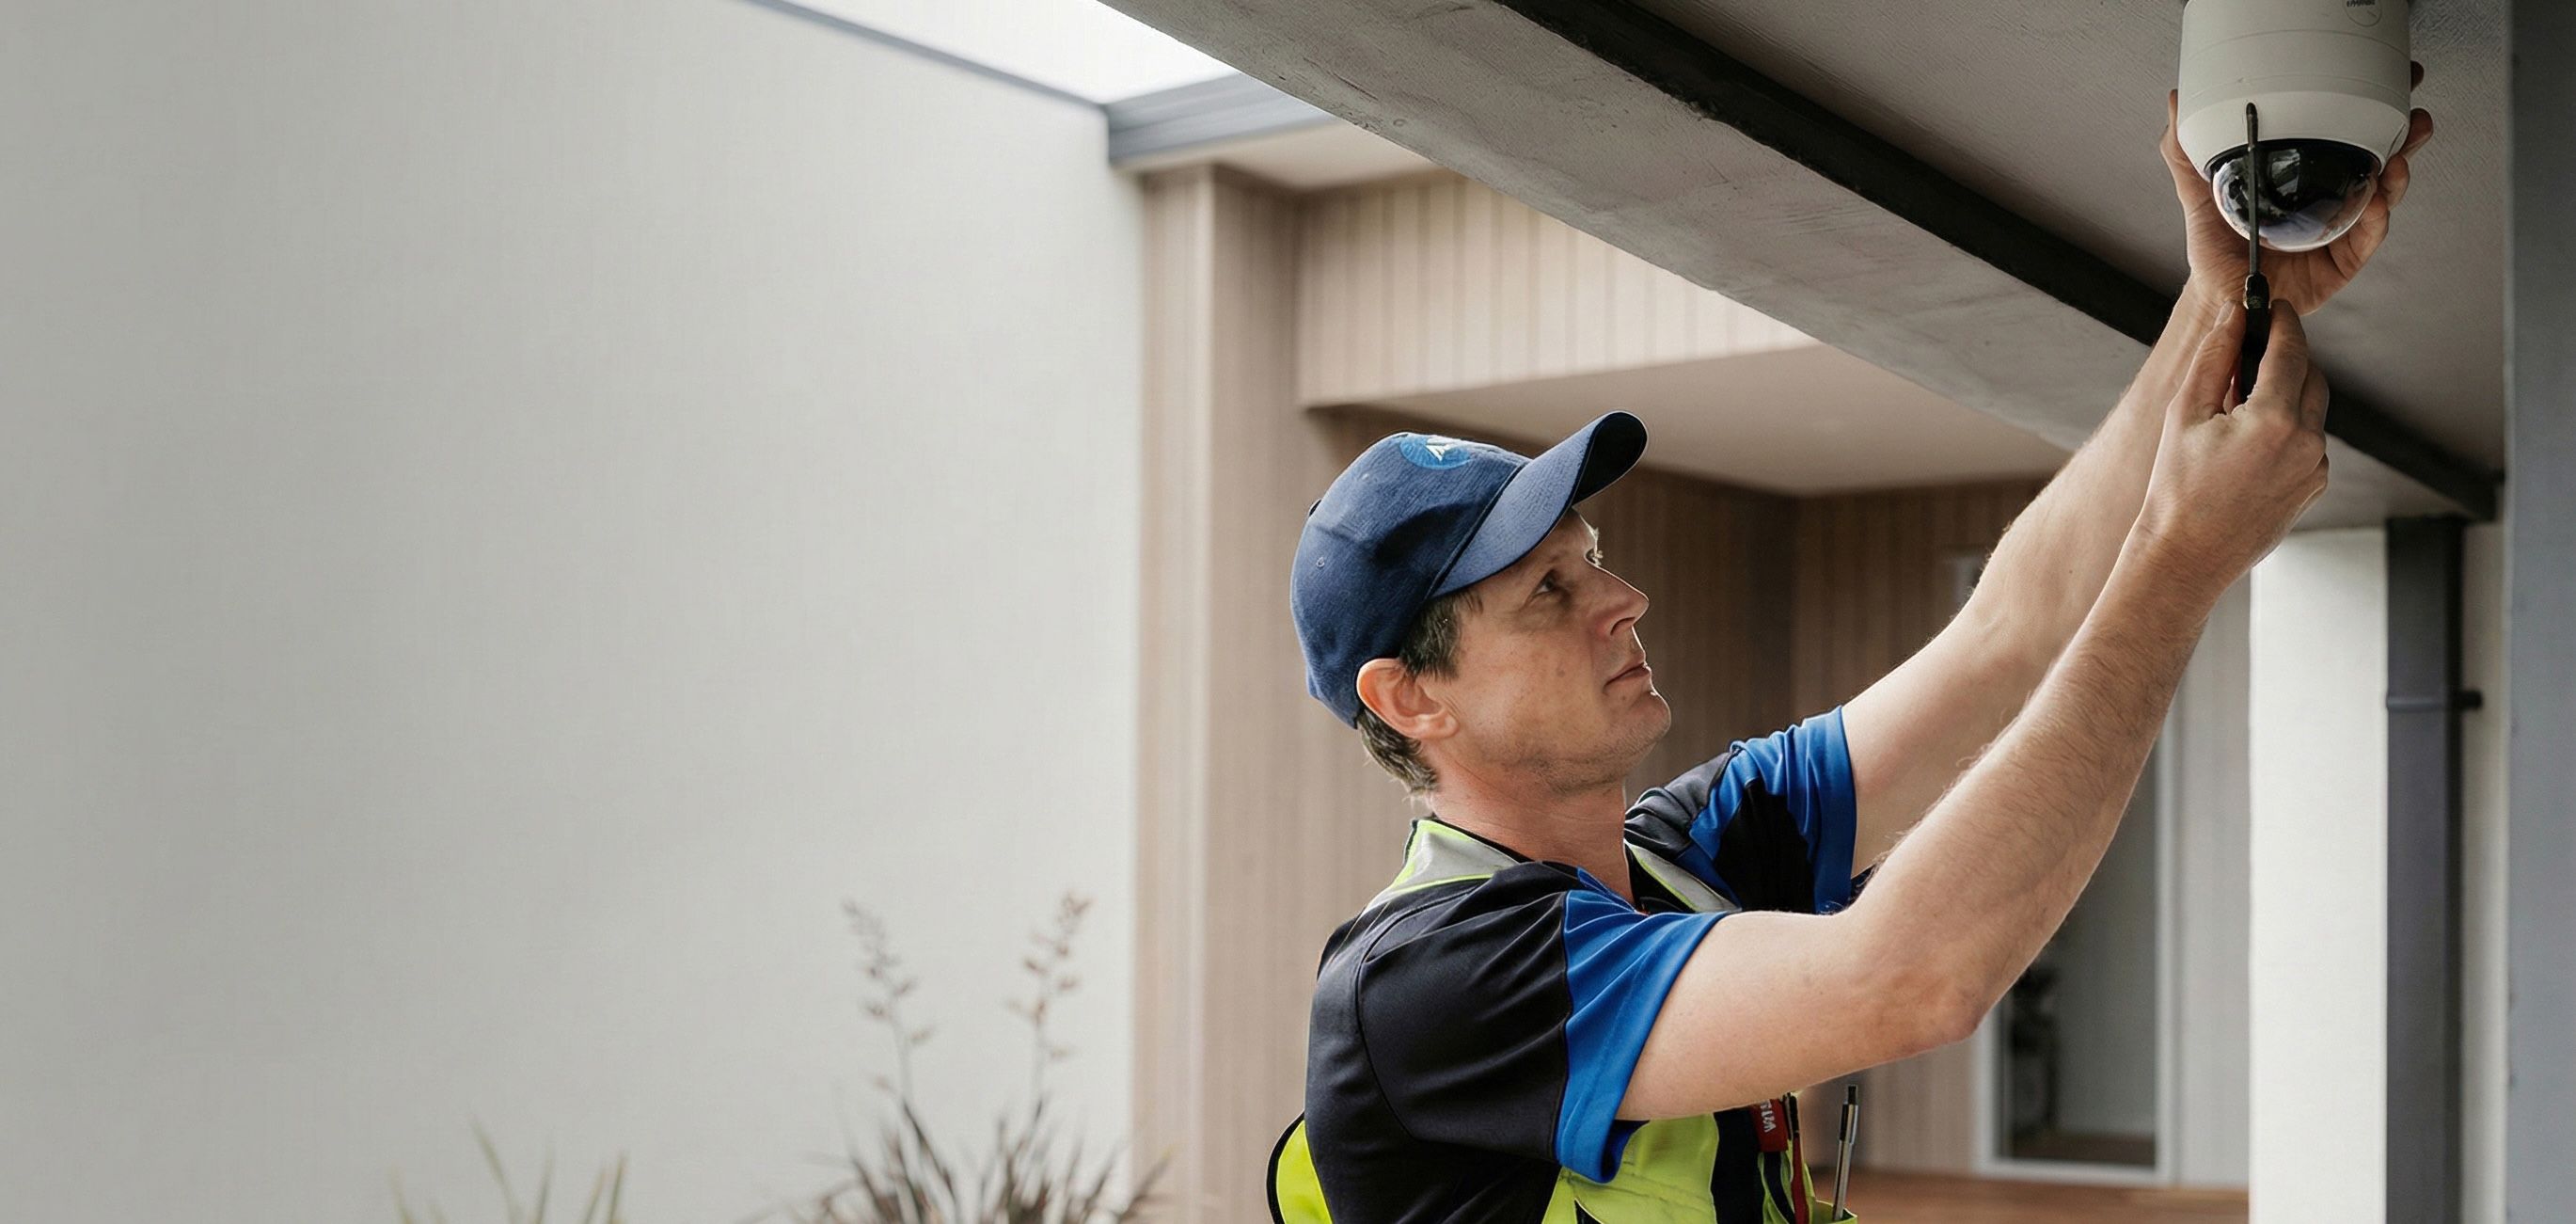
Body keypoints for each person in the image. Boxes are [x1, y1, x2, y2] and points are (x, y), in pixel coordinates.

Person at [1266, 87, 2436, 1224]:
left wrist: (2230, 295)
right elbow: (1912, 976)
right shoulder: (1433, 979)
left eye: (1598, 557)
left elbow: (2005, 637)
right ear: (1411, 697)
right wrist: (2180, 565)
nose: (1624, 598)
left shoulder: (1690, 852)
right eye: (1549, 589)